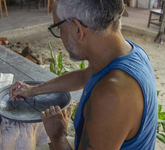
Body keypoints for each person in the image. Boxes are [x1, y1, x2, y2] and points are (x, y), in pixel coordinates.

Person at [9, 0, 158, 149]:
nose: (60, 35)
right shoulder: (124, 52)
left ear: (77, 28)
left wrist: (57, 136)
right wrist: (33, 90)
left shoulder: (111, 94)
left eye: (59, 28)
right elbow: (82, 77)